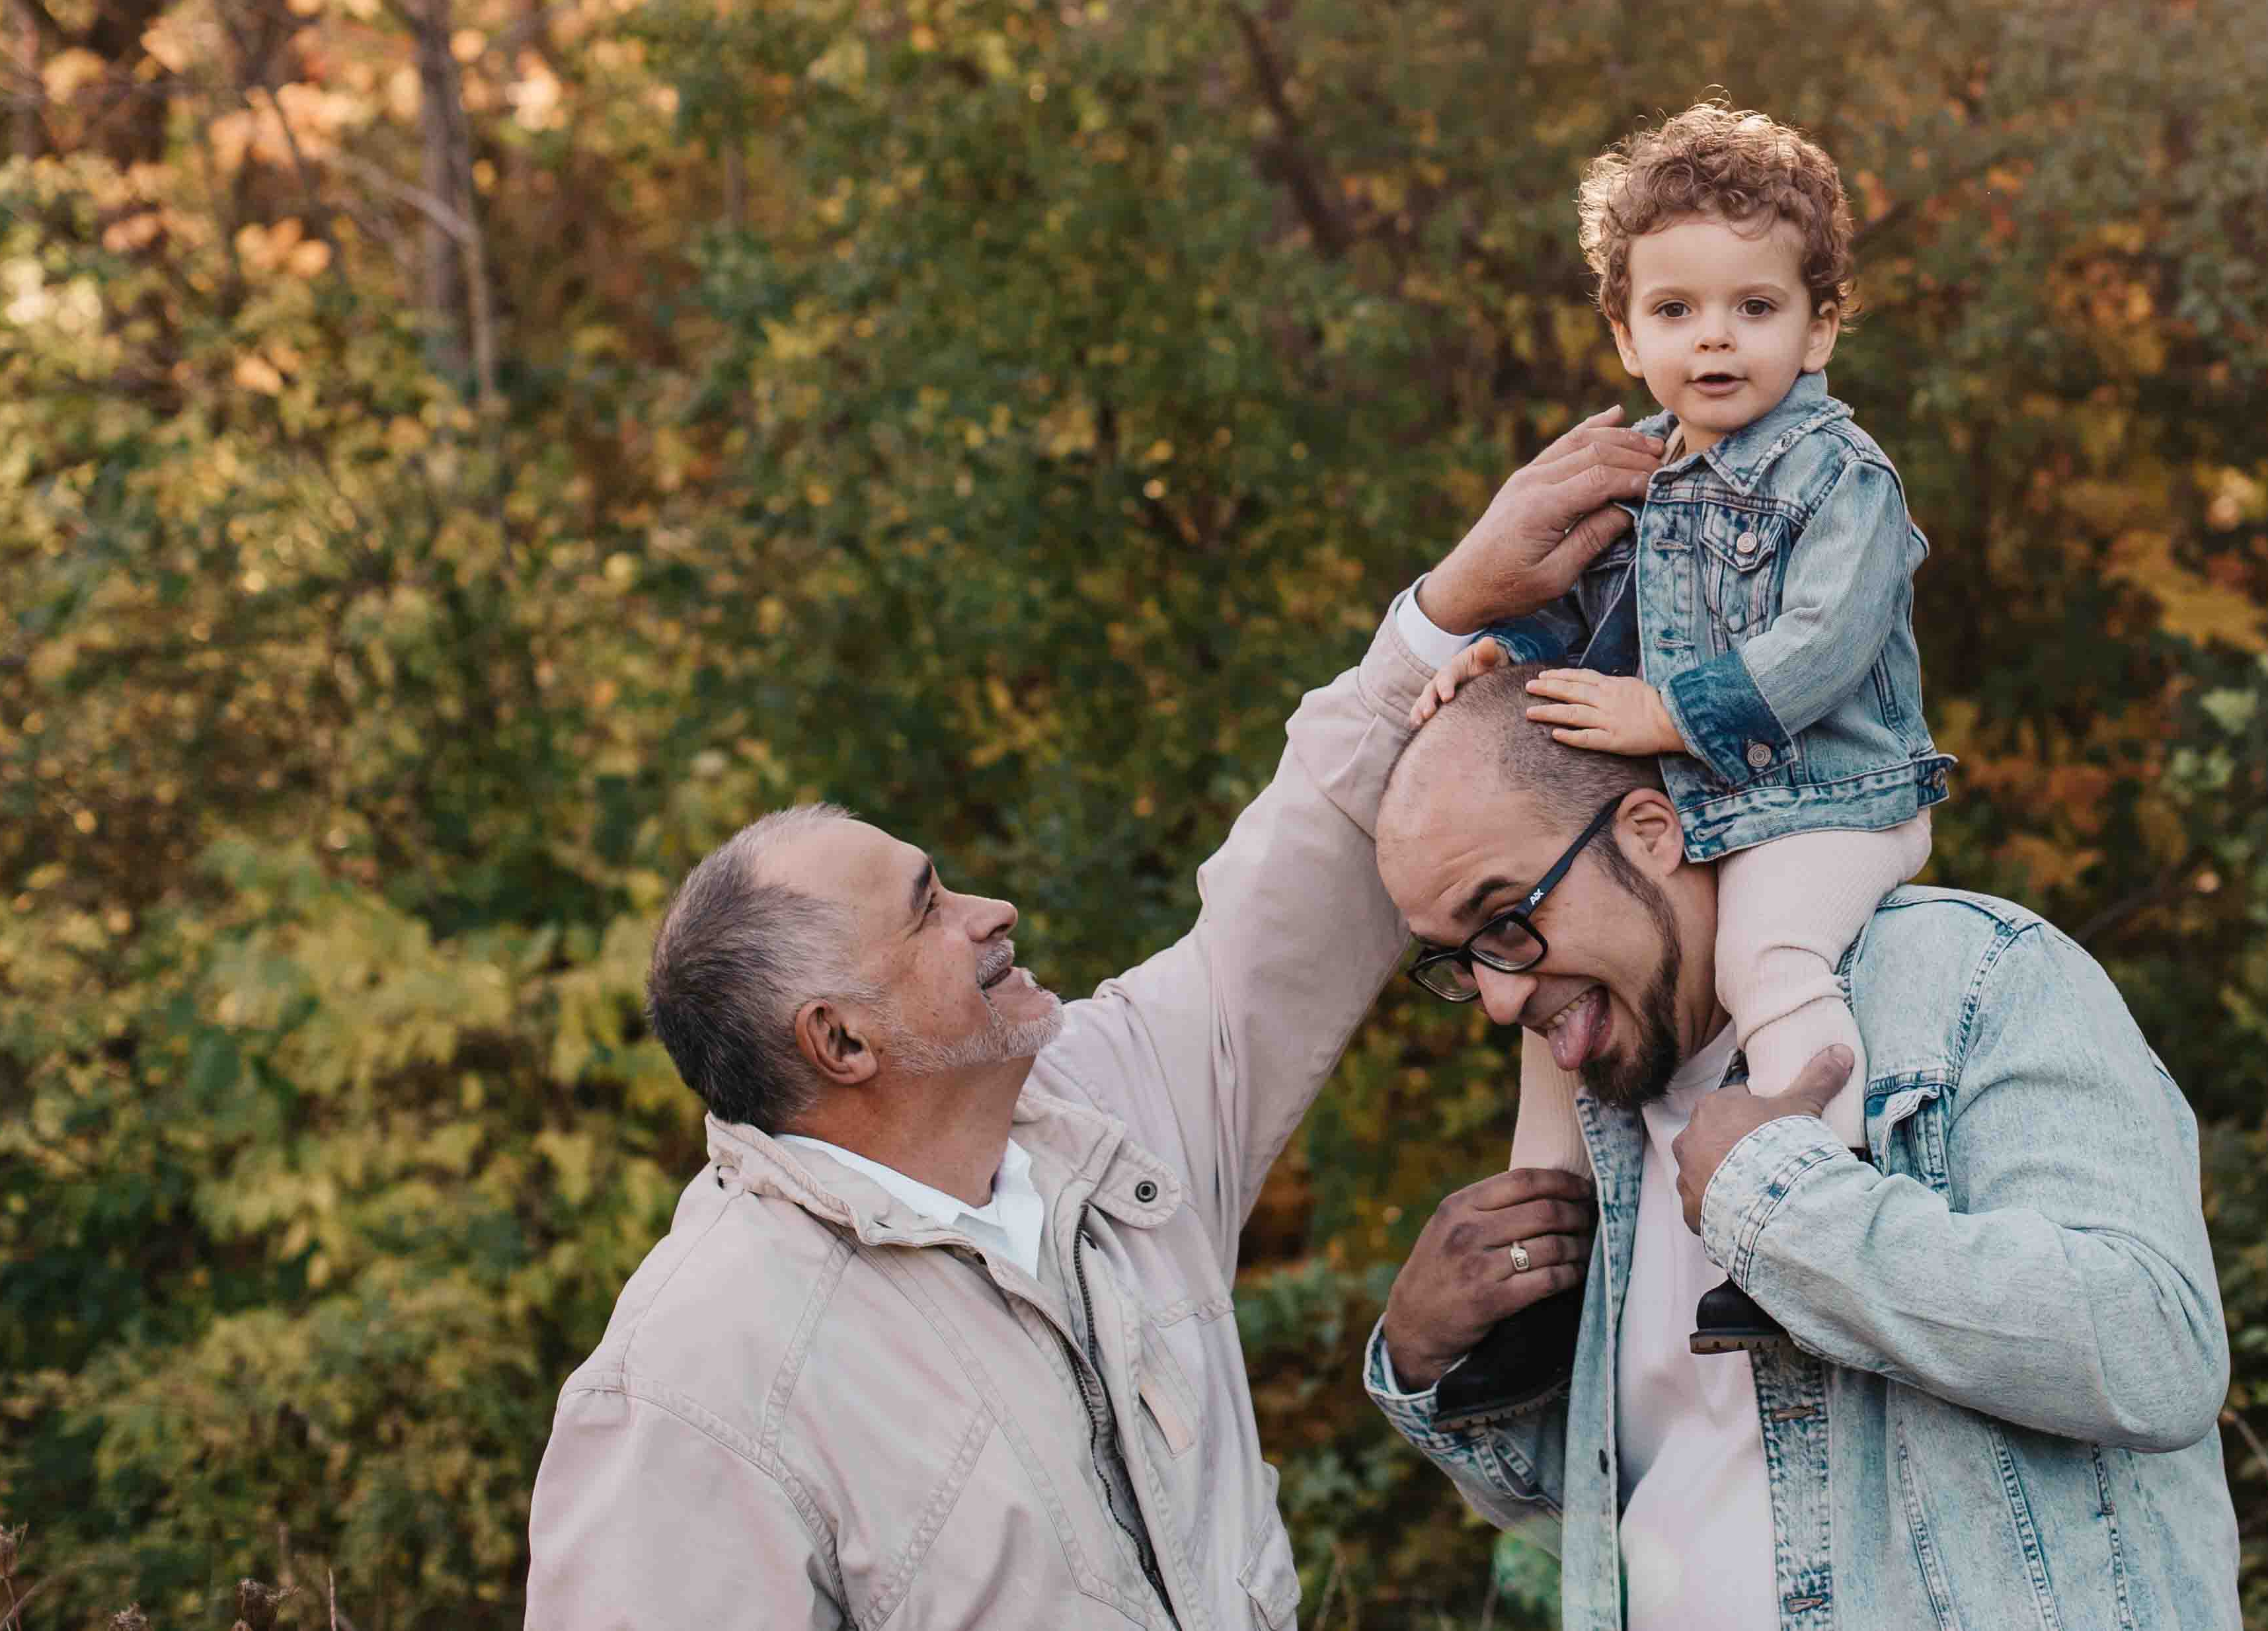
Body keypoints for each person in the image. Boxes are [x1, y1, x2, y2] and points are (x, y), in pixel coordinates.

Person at [520, 411, 1663, 1631]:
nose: (991, 910)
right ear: (841, 1042)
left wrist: (1444, 611)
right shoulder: (698, 1377)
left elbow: (1289, 896)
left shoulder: (1101, 1120)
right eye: (930, 912)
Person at [1360, 662, 2245, 1630]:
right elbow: (1608, 1511)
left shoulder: (1968, 976)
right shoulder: (1598, 1129)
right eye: (1456, 959)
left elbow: (2158, 1349)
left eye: (1507, 921)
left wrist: (1781, 1206)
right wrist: (1430, 1358)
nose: (1496, 998)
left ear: (1650, 835)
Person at [1410, 102, 1952, 1382]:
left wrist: (1668, 715)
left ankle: (1812, 1210)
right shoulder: (1640, 466)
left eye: (1755, 309)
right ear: (1625, 330)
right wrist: (1505, 650)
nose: (1714, 337)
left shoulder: (1838, 474)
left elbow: (1826, 642)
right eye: (1676, 311)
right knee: (1560, 1032)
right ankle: (1539, 1288)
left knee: (1769, 952)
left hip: (1829, 796)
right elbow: (1597, 613)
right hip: (1706, 801)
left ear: (1820, 325)